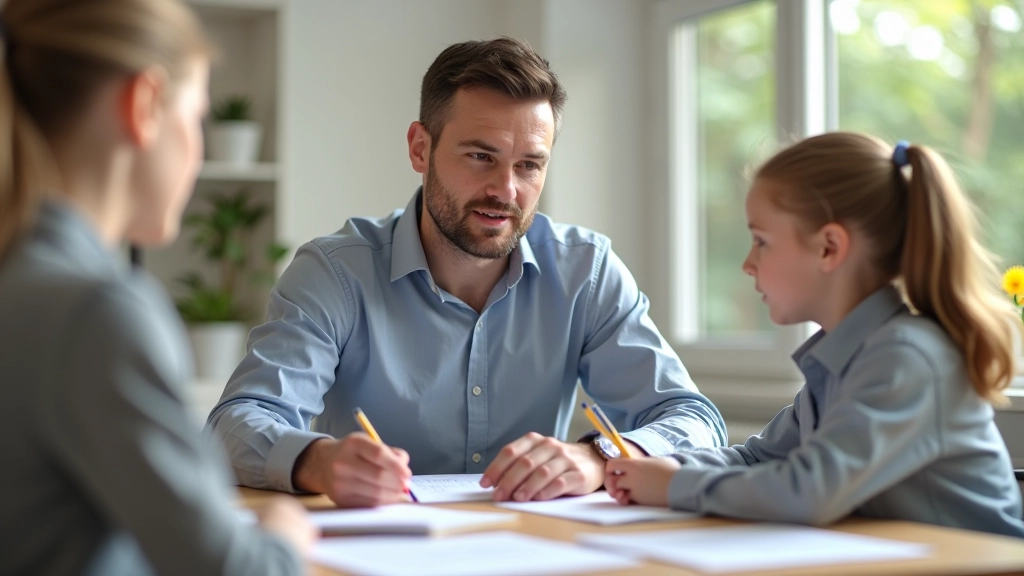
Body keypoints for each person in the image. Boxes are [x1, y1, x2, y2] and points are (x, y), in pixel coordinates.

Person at [206, 37, 727, 508]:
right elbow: (234, 425)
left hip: (537, 551)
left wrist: (597, 457)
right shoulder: (335, 273)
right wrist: (316, 461)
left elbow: (695, 421)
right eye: (482, 156)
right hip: (378, 552)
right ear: (420, 148)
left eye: (529, 165)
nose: (506, 190)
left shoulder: (586, 270)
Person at [0, 0, 317, 574]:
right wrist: (284, 535)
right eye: (196, 116)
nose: (196, 150)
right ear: (144, 104)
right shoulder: (95, 312)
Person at [604, 132, 1024, 538]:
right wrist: (668, 467)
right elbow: (757, 458)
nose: (748, 264)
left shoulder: (906, 357)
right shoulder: (848, 357)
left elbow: (810, 491)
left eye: (760, 241)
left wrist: (675, 487)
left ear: (828, 247)